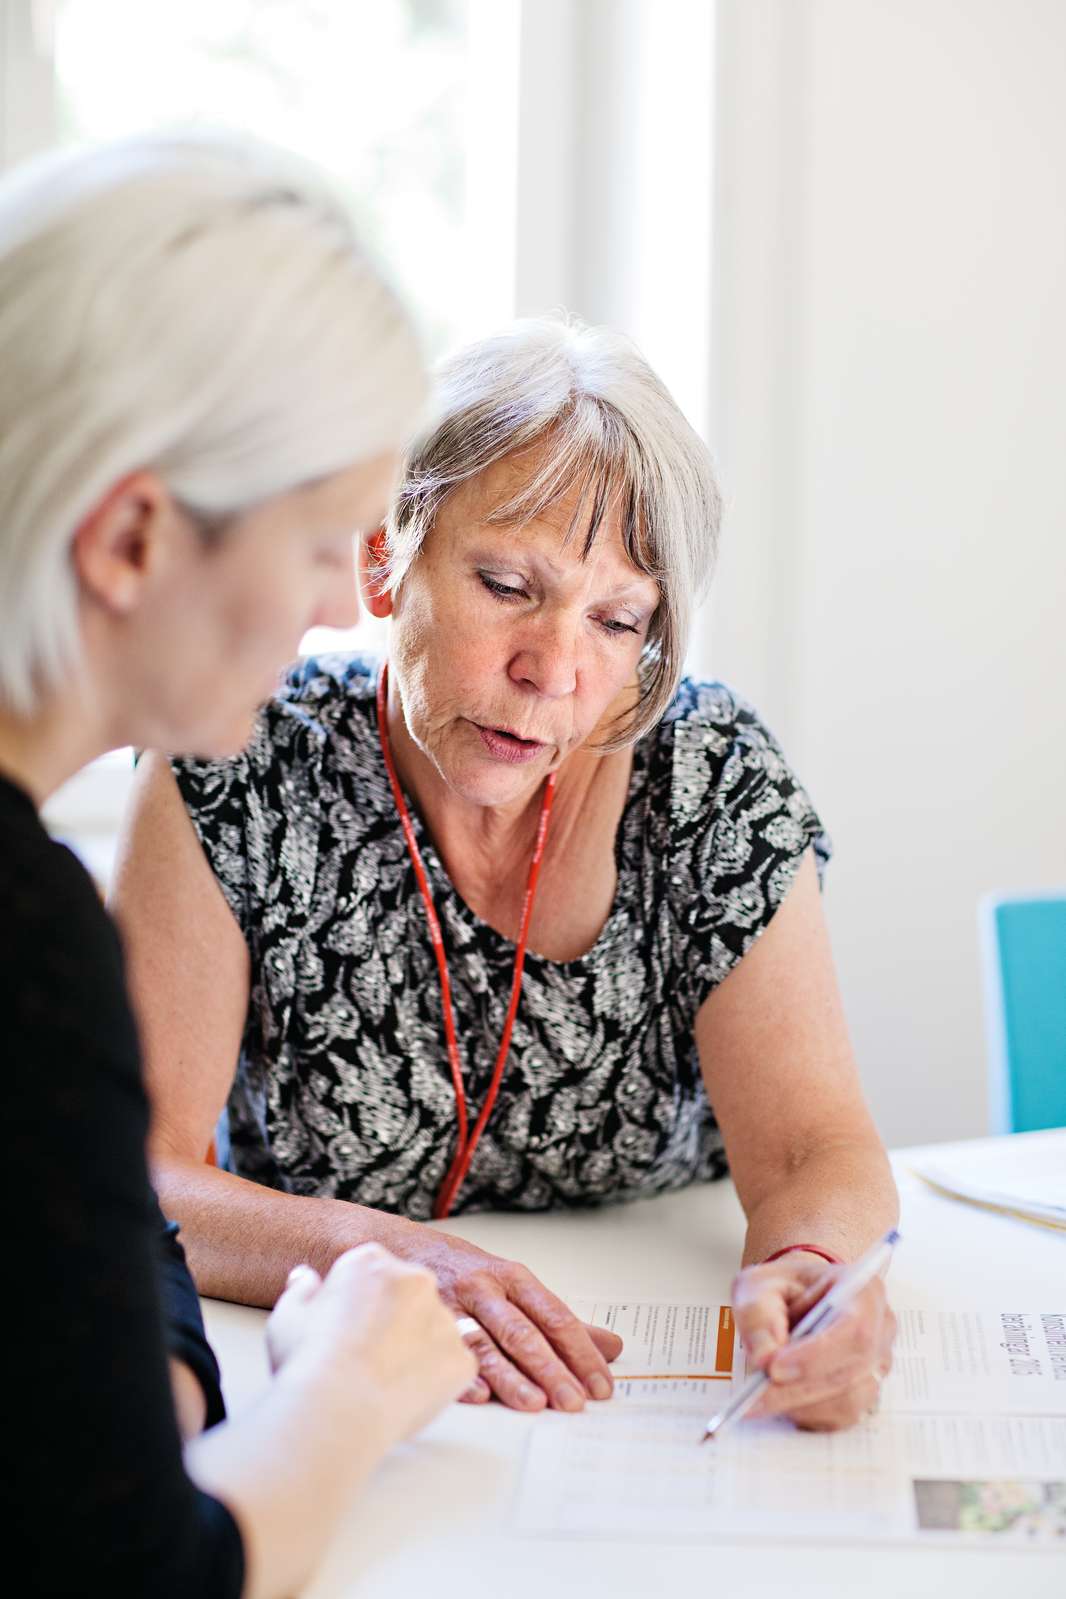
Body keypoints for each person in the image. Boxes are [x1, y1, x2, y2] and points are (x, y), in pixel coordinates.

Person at [116, 316, 899, 1433]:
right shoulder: (230, 759)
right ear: (384, 558)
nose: (553, 670)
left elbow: (812, 1148)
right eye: (505, 585)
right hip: (322, 1355)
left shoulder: (709, 778)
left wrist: (820, 1276)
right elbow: (136, 1172)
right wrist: (373, 1250)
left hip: (638, 1379)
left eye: (617, 619)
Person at [1, 133, 476, 1599]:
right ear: (136, 535)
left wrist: (143, 1387)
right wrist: (346, 1381)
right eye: (325, 537)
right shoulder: (27, 939)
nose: (344, 603)